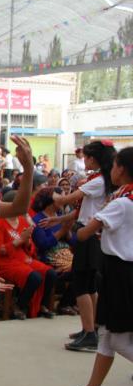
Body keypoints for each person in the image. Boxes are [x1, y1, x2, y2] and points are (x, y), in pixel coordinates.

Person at [64, 147, 133, 386]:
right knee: (106, 336)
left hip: (119, 273)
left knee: (117, 338)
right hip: (123, 271)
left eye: (115, 166)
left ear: (122, 169)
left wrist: (86, 225)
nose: (112, 170)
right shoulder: (124, 198)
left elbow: (84, 234)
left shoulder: (121, 203)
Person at [49, 141, 117, 352]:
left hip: (88, 235)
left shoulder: (98, 181)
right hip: (92, 234)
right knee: (89, 284)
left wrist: (51, 194)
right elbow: (81, 209)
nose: (84, 160)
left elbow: (70, 199)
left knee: (81, 283)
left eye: (86, 157)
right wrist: (58, 220)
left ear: (94, 159)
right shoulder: (101, 180)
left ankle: (89, 332)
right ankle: (91, 328)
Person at [0, 194, 57, 320]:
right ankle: (19, 306)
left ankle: (42, 306)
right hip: (6, 262)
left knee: (50, 273)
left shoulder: (22, 221)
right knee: (34, 277)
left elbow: (31, 248)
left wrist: (27, 242)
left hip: (23, 258)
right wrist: (20, 240)